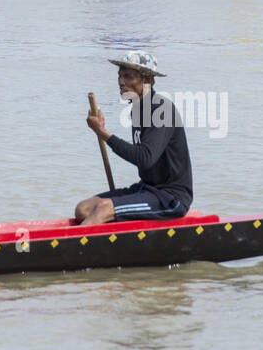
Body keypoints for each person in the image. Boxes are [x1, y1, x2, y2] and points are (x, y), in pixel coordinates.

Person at [76, 51, 193, 226]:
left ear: (148, 80)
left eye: (129, 77)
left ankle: (76, 249)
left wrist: (103, 134)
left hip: (171, 197)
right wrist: (103, 133)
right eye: (120, 76)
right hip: (147, 188)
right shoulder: (137, 110)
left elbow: (145, 158)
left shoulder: (162, 111)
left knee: (103, 209)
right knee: (83, 209)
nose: (121, 82)